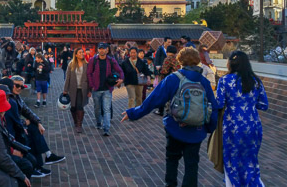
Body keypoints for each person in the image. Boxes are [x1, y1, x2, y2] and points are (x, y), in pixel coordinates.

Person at [121, 47, 219, 187]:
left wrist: (133, 113)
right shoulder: (203, 82)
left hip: (175, 127)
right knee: (192, 165)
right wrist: (208, 127)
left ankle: (170, 184)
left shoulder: (173, 79)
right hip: (197, 130)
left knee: (172, 160)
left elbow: (153, 101)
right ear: (197, 61)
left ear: (180, 61)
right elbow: (213, 107)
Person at [216, 51, 268, 186]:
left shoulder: (224, 80)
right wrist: (249, 102)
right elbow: (263, 105)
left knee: (232, 159)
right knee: (251, 160)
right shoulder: (255, 81)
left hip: (232, 125)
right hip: (253, 125)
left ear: (230, 63)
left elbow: (219, 104)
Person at [9, 75, 65, 168]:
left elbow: (27, 111)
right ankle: (43, 160)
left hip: (18, 126)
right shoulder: (9, 99)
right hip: (12, 130)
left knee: (35, 127)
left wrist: (38, 122)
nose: (19, 88)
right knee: (32, 133)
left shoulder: (16, 97)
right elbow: (10, 120)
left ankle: (44, 160)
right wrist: (24, 123)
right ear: (11, 85)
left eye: (21, 86)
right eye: (17, 85)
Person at [86, 42, 124, 136]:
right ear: (98, 50)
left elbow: (119, 70)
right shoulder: (93, 60)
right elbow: (89, 73)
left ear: (107, 50)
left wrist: (121, 79)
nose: (102, 50)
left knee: (106, 109)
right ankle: (98, 122)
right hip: (96, 88)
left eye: (103, 48)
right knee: (97, 108)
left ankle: (106, 128)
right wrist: (92, 86)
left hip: (107, 88)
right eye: (100, 48)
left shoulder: (111, 60)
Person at [62, 48, 90, 133]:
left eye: (82, 52)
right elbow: (68, 78)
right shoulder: (71, 64)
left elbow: (90, 78)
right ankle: (75, 121)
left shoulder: (87, 64)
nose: (82, 54)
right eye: (80, 52)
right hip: (73, 89)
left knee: (79, 106)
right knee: (73, 107)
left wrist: (90, 90)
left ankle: (79, 124)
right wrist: (65, 89)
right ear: (76, 54)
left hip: (83, 89)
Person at [155, 45, 180, 116]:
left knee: (163, 95)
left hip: (168, 79)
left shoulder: (168, 59)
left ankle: (162, 111)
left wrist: (159, 69)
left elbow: (164, 71)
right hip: (176, 79)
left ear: (168, 51)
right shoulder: (177, 59)